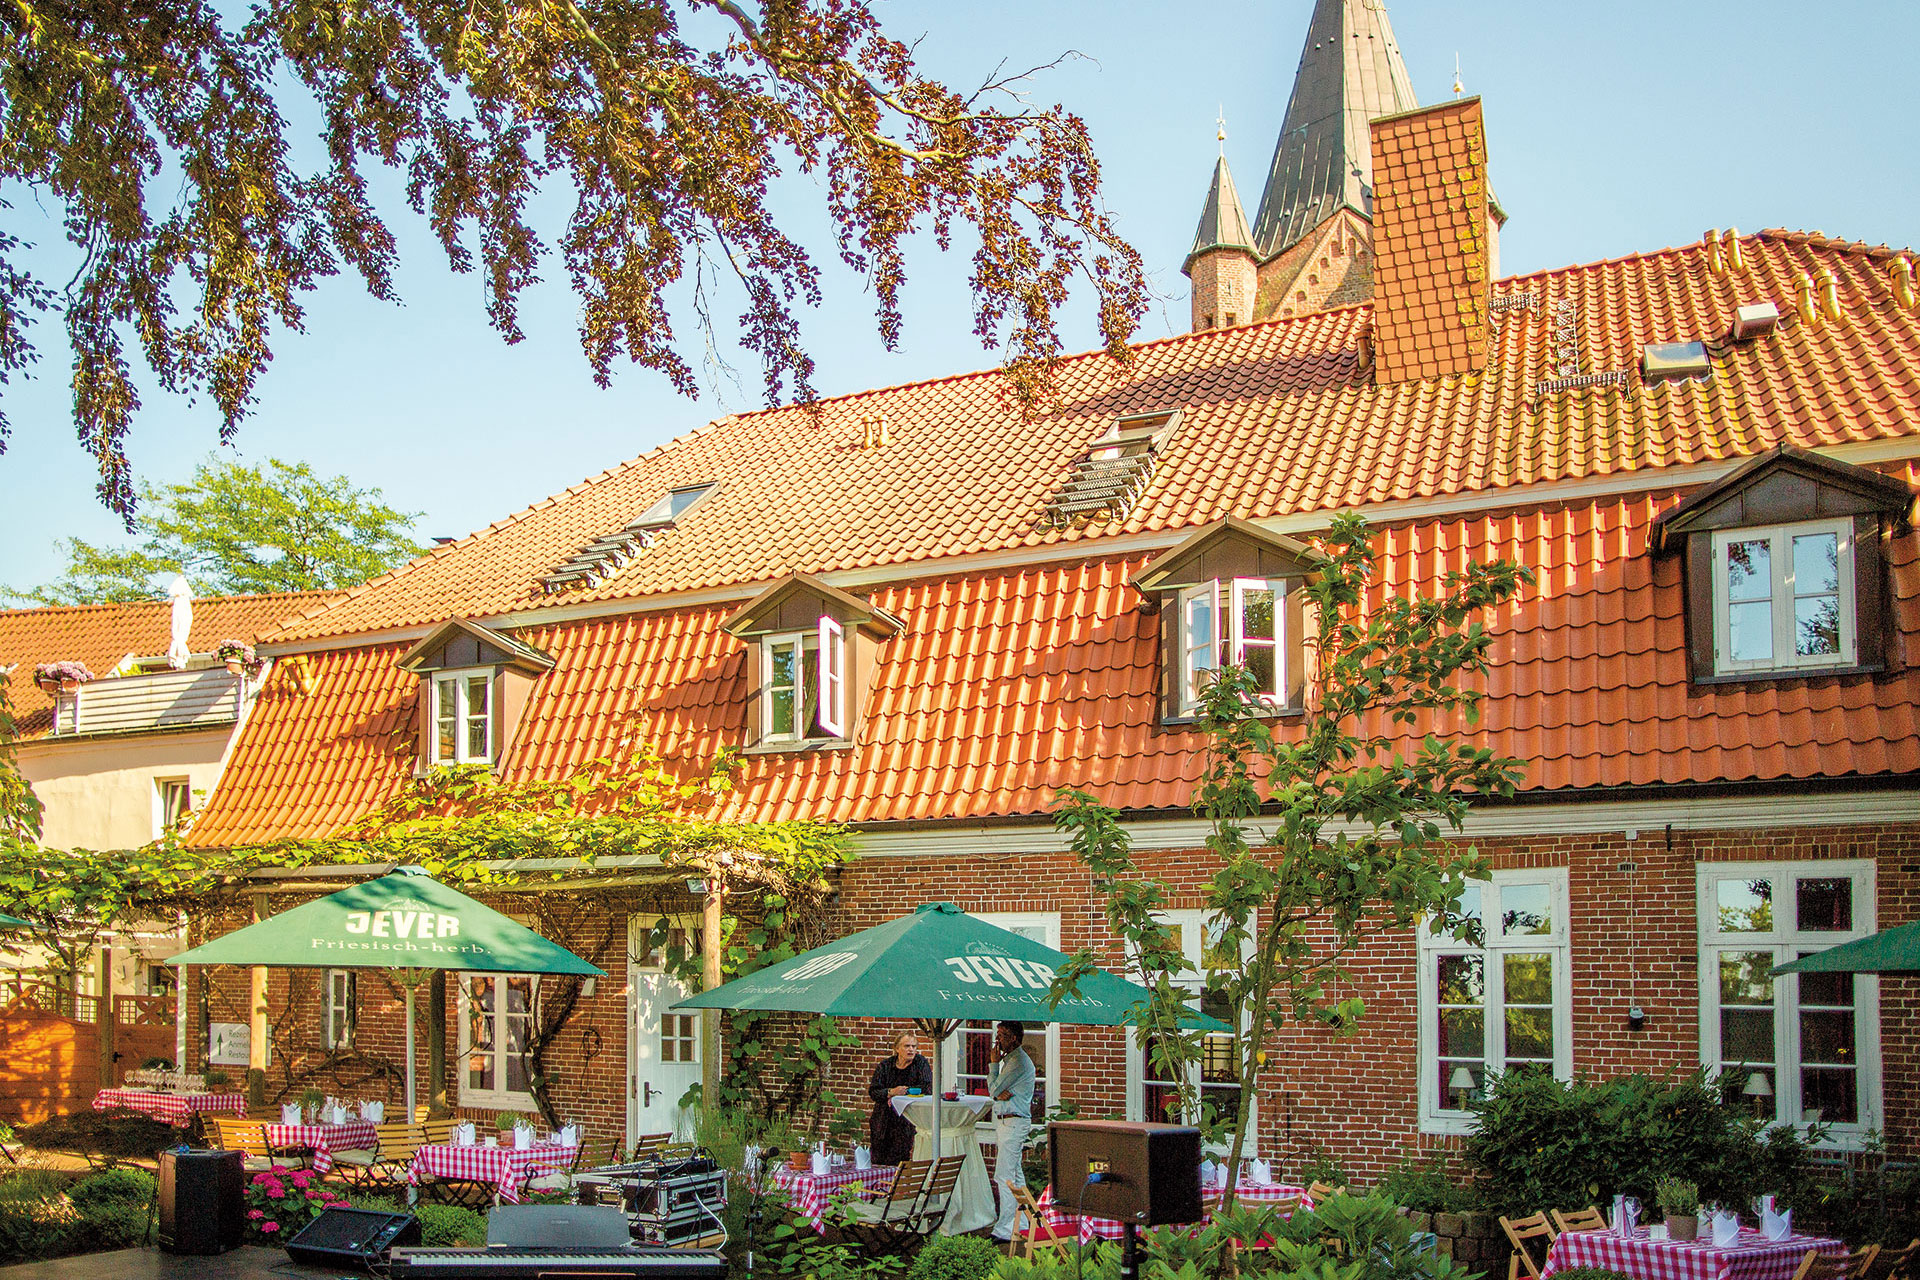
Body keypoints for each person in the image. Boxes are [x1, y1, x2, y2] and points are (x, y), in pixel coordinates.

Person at [986, 1019, 1035, 1244]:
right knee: (1015, 1175)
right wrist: (998, 1092)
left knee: (1003, 1176)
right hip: (1008, 1122)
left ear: (1014, 1038)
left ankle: (1005, 1230)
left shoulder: (1017, 1062)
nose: (997, 1040)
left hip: (1013, 1123)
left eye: (1002, 1035)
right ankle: (1022, 1223)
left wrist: (993, 1065)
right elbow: (997, 1092)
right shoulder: (1012, 1060)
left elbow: (993, 1088)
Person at [867, 1028, 933, 1166]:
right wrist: (891, 1092)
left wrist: (901, 1095)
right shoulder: (885, 1066)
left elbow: (927, 1088)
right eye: (907, 1046)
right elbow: (873, 1091)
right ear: (897, 1048)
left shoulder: (920, 1063)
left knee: (899, 1161)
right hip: (883, 1120)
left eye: (914, 1046)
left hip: (905, 1120)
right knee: (878, 1160)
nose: (911, 1050)